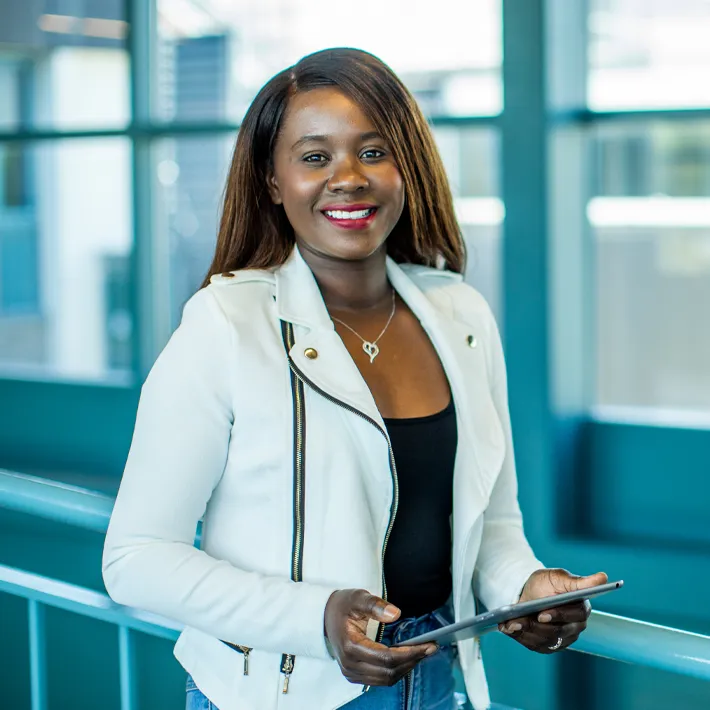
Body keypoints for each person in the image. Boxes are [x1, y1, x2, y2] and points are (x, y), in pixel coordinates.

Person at [102, 47, 607, 710]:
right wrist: (318, 616)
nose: (347, 178)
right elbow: (135, 558)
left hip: (435, 678)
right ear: (273, 181)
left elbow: (492, 528)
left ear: (408, 169)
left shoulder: (461, 314)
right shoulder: (226, 322)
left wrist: (527, 590)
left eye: (373, 152)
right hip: (277, 693)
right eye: (314, 157)